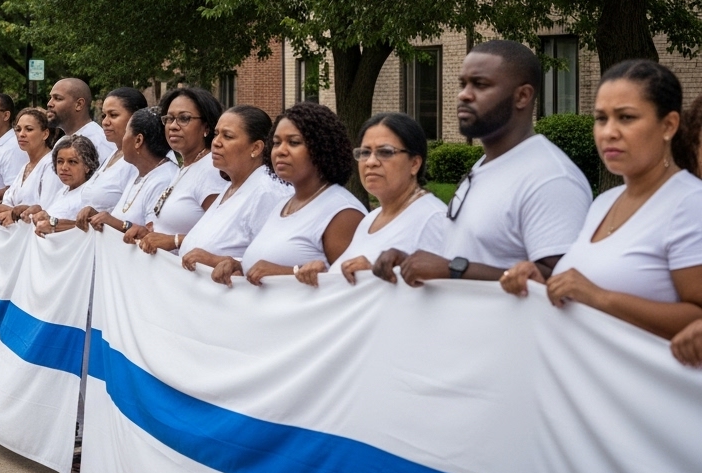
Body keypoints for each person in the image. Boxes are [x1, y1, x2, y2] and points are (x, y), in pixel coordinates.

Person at [499, 60, 702, 339]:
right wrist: (540, 283)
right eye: (601, 118)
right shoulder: (603, 203)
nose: (609, 132)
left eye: (626, 117)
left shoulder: (690, 204)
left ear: (668, 125)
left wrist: (600, 297)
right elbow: (581, 287)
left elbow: (697, 319)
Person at [373, 40, 592, 287]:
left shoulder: (551, 178)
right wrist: (409, 263)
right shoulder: (484, 166)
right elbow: (470, 257)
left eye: (480, 84)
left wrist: (453, 269)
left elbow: (563, 285)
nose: (464, 94)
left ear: (522, 96)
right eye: (463, 84)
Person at [211, 102, 366, 286]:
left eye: (293, 142)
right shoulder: (282, 205)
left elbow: (356, 284)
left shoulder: (342, 213)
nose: (281, 151)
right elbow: (265, 264)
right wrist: (237, 265)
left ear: (321, 147)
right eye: (276, 143)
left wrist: (288, 273)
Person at [296, 112, 449, 287]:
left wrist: (372, 276)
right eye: (365, 152)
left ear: (414, 163)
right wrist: (325, 274)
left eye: (385, 152)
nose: (370, 162)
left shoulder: (433, 218)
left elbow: (446, 292)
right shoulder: (370, 220)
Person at [177, 107, 290, 270]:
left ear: (256, 148)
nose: (216, 142)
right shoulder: (233, 185)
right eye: (216, 134)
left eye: (228, 136)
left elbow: (273, 264)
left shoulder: (268, 191)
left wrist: (218, 261)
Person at [123, 87, 227, 253]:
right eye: (169, 119)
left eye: (184, 118)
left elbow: (222, 234)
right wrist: (147, 233)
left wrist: (175, 241)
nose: (173, 126)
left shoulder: (211, 170)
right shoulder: (186, 166)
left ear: (206, 127)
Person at [84, 109, 177, 234]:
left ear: (138, 140)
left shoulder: (164, 179)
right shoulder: (141, 173)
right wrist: (98, 216)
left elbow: (154, 237)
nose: (123, 140)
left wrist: (118, 224)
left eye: (126, 133)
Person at [74, 88, 145, 227]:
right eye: (104, 115)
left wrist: (104, 218)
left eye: (113, 115)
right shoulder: (113, 153)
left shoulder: (139, 159)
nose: (105, 122)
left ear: (135, 118)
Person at [0, 108, 59, 223]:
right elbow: (8, 201)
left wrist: (14, 213)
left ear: (45, 134)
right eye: (18, 129)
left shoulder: (52, 165)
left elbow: (46, 208)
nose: (21, 134)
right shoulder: (25, 167)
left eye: (29, 129)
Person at [33, 135, 100, 235]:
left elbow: (90, 227)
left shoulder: (90, 193)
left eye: (72, 162)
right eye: (60, 161)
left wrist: (54, 225)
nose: (64, 167)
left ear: (87, 166)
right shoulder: (63, 191)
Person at [46, 78, 117, 163]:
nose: (49, 104)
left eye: (57, 98)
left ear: (79, 104)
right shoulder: (62, 141)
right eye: (50, 98)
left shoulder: (98, 143)